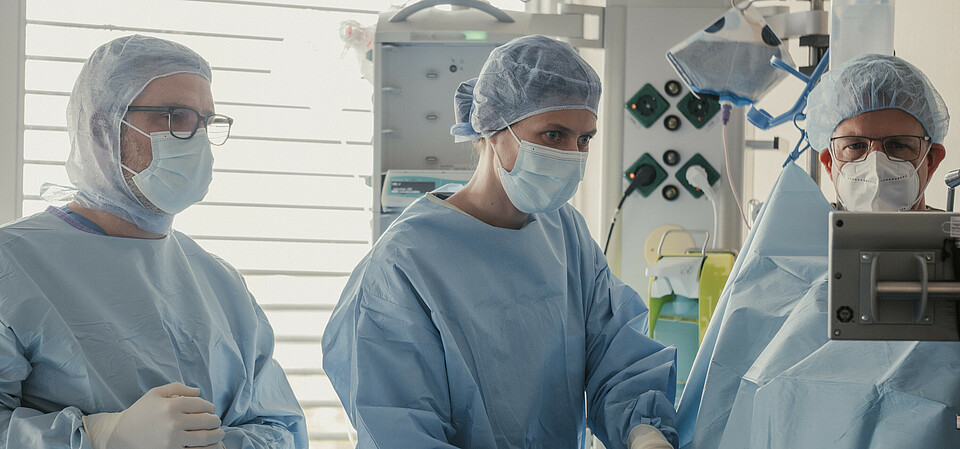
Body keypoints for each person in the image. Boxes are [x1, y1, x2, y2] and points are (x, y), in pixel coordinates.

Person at [322, 35, 679, 449]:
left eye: (584, 139)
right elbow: (398, 426)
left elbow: (616, 352)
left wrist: (644, 432)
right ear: (494, 127)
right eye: (553, 135)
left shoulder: (565, 234)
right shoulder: (404, 264)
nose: (572, 154)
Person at [0, 35, 308, 449]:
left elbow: (280, 427)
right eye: (175, 116)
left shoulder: (220, 282)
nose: (195, 138)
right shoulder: (13, 265)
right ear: (100, 129)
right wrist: (104, 436)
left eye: (206, 122)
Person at [676, 54, 958, 448]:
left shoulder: (953, 259)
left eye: (899, 146)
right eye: (855, 146)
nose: (875, 163)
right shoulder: (783, 263)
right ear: (829, 162)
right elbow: (725, 396)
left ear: (932, 160)